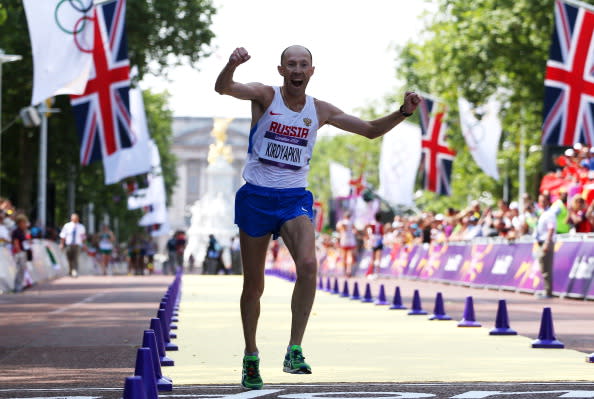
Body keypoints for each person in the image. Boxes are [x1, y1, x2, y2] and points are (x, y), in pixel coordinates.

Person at [215, 45, 421, 389]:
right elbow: (224, 88)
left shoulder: (319, 110)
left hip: (294, 198)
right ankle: (251, 355)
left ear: (312, 71)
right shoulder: (265, 96)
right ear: (281, 70)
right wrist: (231, 65)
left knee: (309, 265)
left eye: (303, 65)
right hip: (255, 197)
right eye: (291, 65)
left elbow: (369, 130)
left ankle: (294, 348)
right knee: (254, 285)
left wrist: (403, 112)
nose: (297, 69)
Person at [534, 193, 559, 298]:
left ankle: (548, 292)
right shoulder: (543, 213)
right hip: (541, 242)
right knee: (543, 267)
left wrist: (547, 243)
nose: (541, 203)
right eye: (540, 201)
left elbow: (551, 229)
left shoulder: (549, 214)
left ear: (548, 201)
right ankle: (546, 290)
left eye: (544, 201)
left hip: (546, 242)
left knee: (546, 268)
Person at [11, 214, 32, 292]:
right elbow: (15, 242)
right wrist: (19, 251)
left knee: (22, 270)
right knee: (19, 270)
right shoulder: (16, 231)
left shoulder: (24, 232)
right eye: (24, 223)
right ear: (19, 223)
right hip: (19, 253)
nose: (25, 224)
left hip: (23, 252)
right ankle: (17, 287)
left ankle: (20, 286)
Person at [336, 211, 357, 277]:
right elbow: (355, 231)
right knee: (350, 256)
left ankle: (345, 271)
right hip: (351, 240)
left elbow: (339, 230)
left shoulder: (341, 222)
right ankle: (349, 271)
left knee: (344, 256)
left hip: (344, 240)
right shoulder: (352, 222)